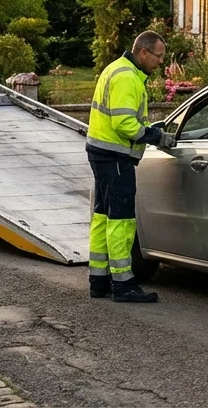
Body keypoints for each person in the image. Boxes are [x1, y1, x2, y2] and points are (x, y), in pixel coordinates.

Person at [85, 30, 166, 303]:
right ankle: (123, 284)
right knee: (121, 221)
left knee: (103, 217)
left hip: (102, 153)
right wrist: (155, 136)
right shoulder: (127, 77)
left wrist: (150, 130)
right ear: (143, 52)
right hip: (115, 156)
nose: (160, 62)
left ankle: (99, 280)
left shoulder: (116, 70)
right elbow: (124, 124)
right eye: (158, 56)